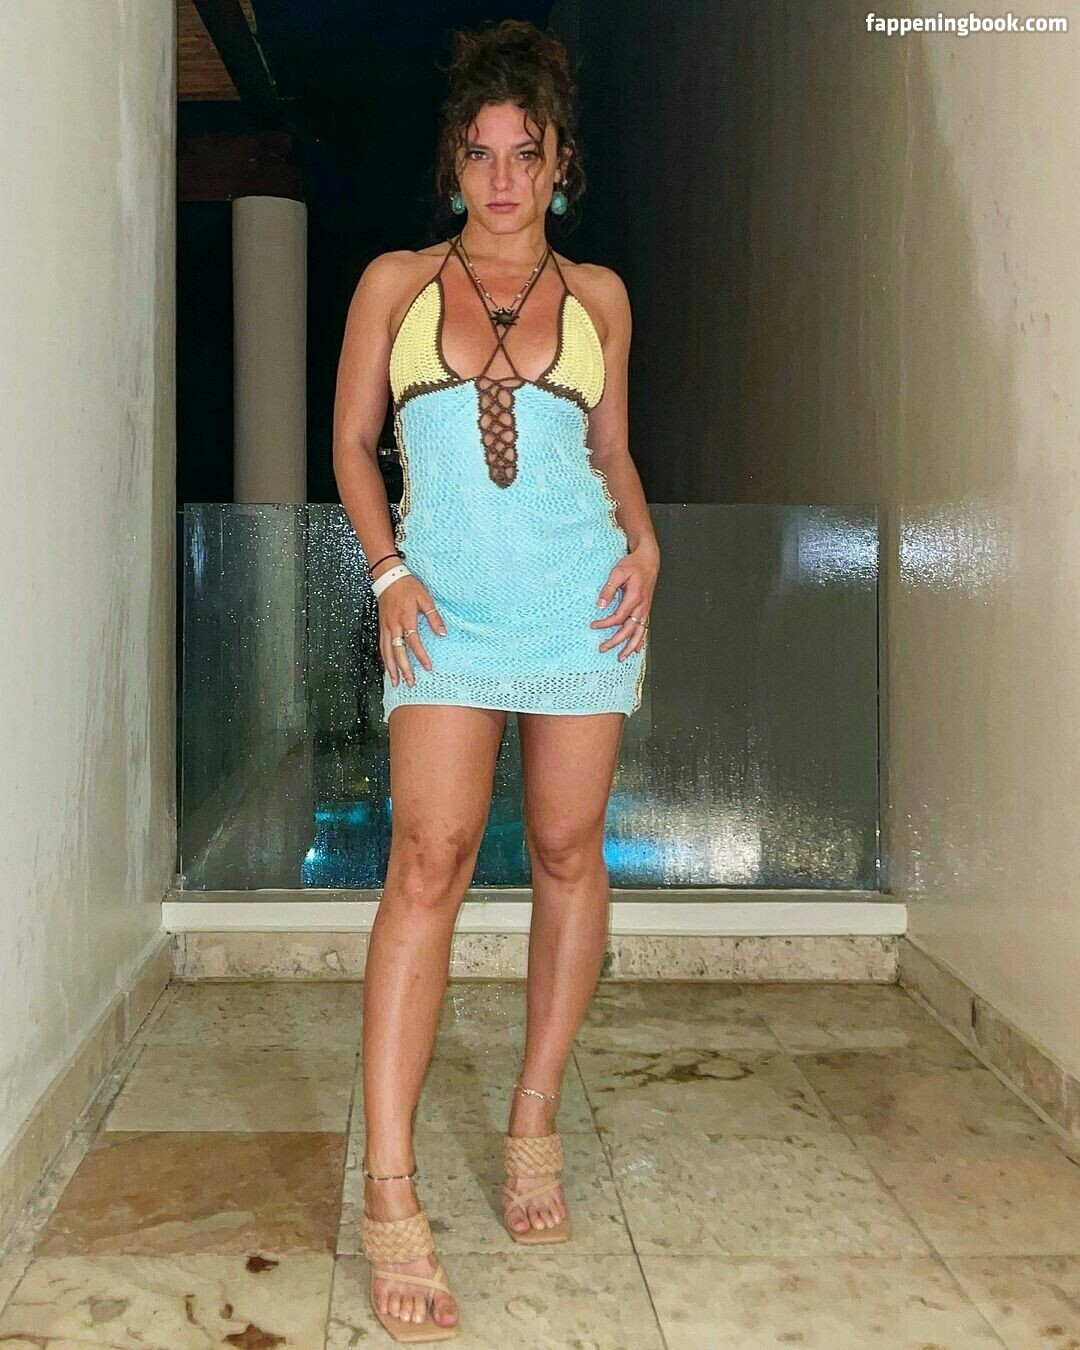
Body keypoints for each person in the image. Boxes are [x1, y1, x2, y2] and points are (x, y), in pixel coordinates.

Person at [333, 17, 659, 1342]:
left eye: (528, 152)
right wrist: (387, 573)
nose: (504, 177)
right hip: (447, 615)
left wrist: (647, 543)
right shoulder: (396, 284)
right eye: (482, 151)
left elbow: (613, 451)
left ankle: (534, 1115)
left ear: (561, 160)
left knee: (571, 851)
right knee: (430, 855)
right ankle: (391, 1185)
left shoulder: (602, 300)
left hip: (580, 606)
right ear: (454, 162)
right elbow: (354, 444)